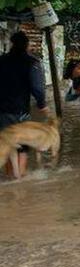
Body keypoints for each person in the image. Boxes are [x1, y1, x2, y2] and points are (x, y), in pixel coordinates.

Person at [0, 31, 49, 176]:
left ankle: (11, 178)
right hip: (20, 110)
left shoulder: (1, 60)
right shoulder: (31, 62)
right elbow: (38, 88)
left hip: (2, 110)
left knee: (8, 144)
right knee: (22, 147)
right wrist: (42, 104)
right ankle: (19, 181)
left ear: (11, 43)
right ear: (26, 45)